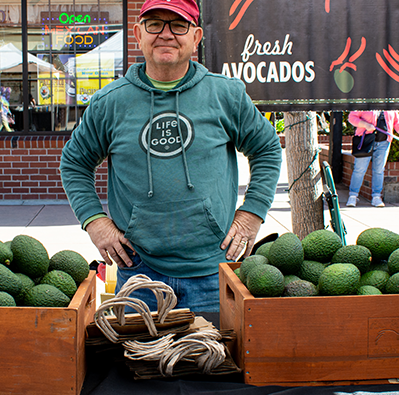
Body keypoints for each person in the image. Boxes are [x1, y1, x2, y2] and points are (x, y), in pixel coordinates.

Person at [59, 0, 282, 313]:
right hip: (139, 274)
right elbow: (74, 162)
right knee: (140, 361)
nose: (166, 34)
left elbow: (267, 148)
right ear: (138, 34)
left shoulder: (226, 95)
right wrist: (94, 221)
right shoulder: (110, 102)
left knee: (214, 362)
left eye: (178, 25)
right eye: (155, 24)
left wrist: (253, 212)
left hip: (214, 271)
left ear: (196, 36)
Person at [346, 110, 399, 207]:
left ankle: (376, 197)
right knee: (359, 169)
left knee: (379, 170)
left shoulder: (389, 105)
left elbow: (397, 121)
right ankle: (353, 196)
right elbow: (352, 117)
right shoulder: (364, 102)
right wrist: (365, 125)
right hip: (365, 140)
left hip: (384, 142)